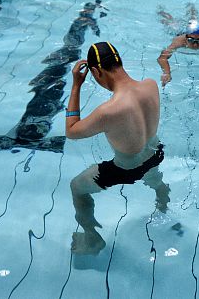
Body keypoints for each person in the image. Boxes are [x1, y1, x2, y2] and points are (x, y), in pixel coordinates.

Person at [67, 42, 169, 255]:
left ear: (96, 71)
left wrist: (76, 85)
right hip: (155, 153)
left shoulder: (108, 111)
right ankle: (161, 194)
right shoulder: (151, 85)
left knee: (76, 187)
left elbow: (71, 131)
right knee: (150, 165)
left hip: (127, 169)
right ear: (119, 61)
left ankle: (92, 238)